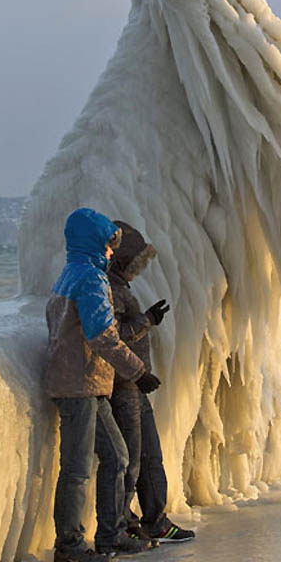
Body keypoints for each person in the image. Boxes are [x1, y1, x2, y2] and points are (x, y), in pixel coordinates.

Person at [45, 208, 161, 562]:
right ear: (94, 243)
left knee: (117, 456)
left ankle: (111, 534)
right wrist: (139, 372)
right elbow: (103, 338)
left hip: (86, 383)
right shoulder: (91, 281)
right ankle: (70, 545)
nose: (112, 252)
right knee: (78, 469)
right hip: (78, 386)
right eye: (109, 244)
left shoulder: (69, 275)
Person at [109, 220, 195, 543]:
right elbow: (114, 338)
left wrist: (146, 319)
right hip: (125, 386)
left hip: (133, 385)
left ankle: (153, 518)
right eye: (135, 263)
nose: (138, 270)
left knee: (148, 457)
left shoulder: (119, 287)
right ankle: (127, 522)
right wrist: (147, 321)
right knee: (132, 460)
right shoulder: (113, 290)